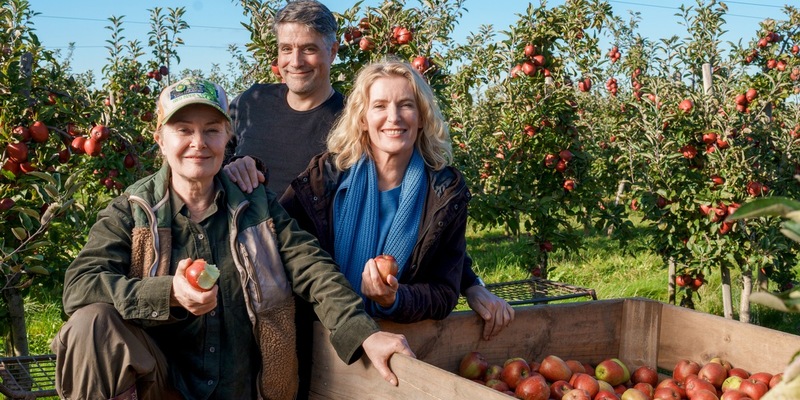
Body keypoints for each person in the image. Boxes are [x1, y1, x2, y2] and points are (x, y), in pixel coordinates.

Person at [51, 77, 414, 400]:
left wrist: (364, 333)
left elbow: (313, 268)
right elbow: (79, 286)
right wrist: (169, 293)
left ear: (228, 137)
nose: (198, 143)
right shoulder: (133, 211)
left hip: (242, 387)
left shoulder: (256, 206)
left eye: (211, 130)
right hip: (160, 385)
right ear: (161, 140)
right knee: (92, 323)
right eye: (183, 130)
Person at [224, 0, 514, 339]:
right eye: (286, 49)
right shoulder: (250, 103)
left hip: (321, 309)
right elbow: (213, 160)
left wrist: (470, 284)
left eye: (308, 49)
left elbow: (432, 234)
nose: (295, 61)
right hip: (255, 283)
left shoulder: (349, 133)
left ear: (332, 51)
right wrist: (232, 164)